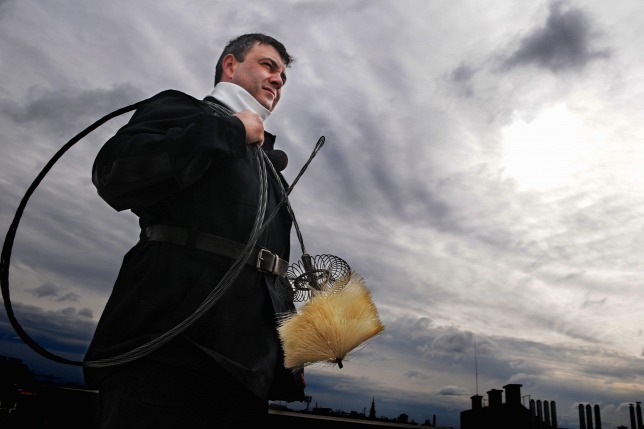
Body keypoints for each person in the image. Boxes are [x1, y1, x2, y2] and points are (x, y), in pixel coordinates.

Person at [83, 33, 305, 428]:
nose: (278, 80)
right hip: (169, 347)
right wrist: (228, 132)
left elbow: (269, 265)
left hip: (247, 370)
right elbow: (115, 173)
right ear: (230, 65)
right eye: (268, 66)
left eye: (283, 77)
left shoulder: (268, 166)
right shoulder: (184, 111)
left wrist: (289, 351)